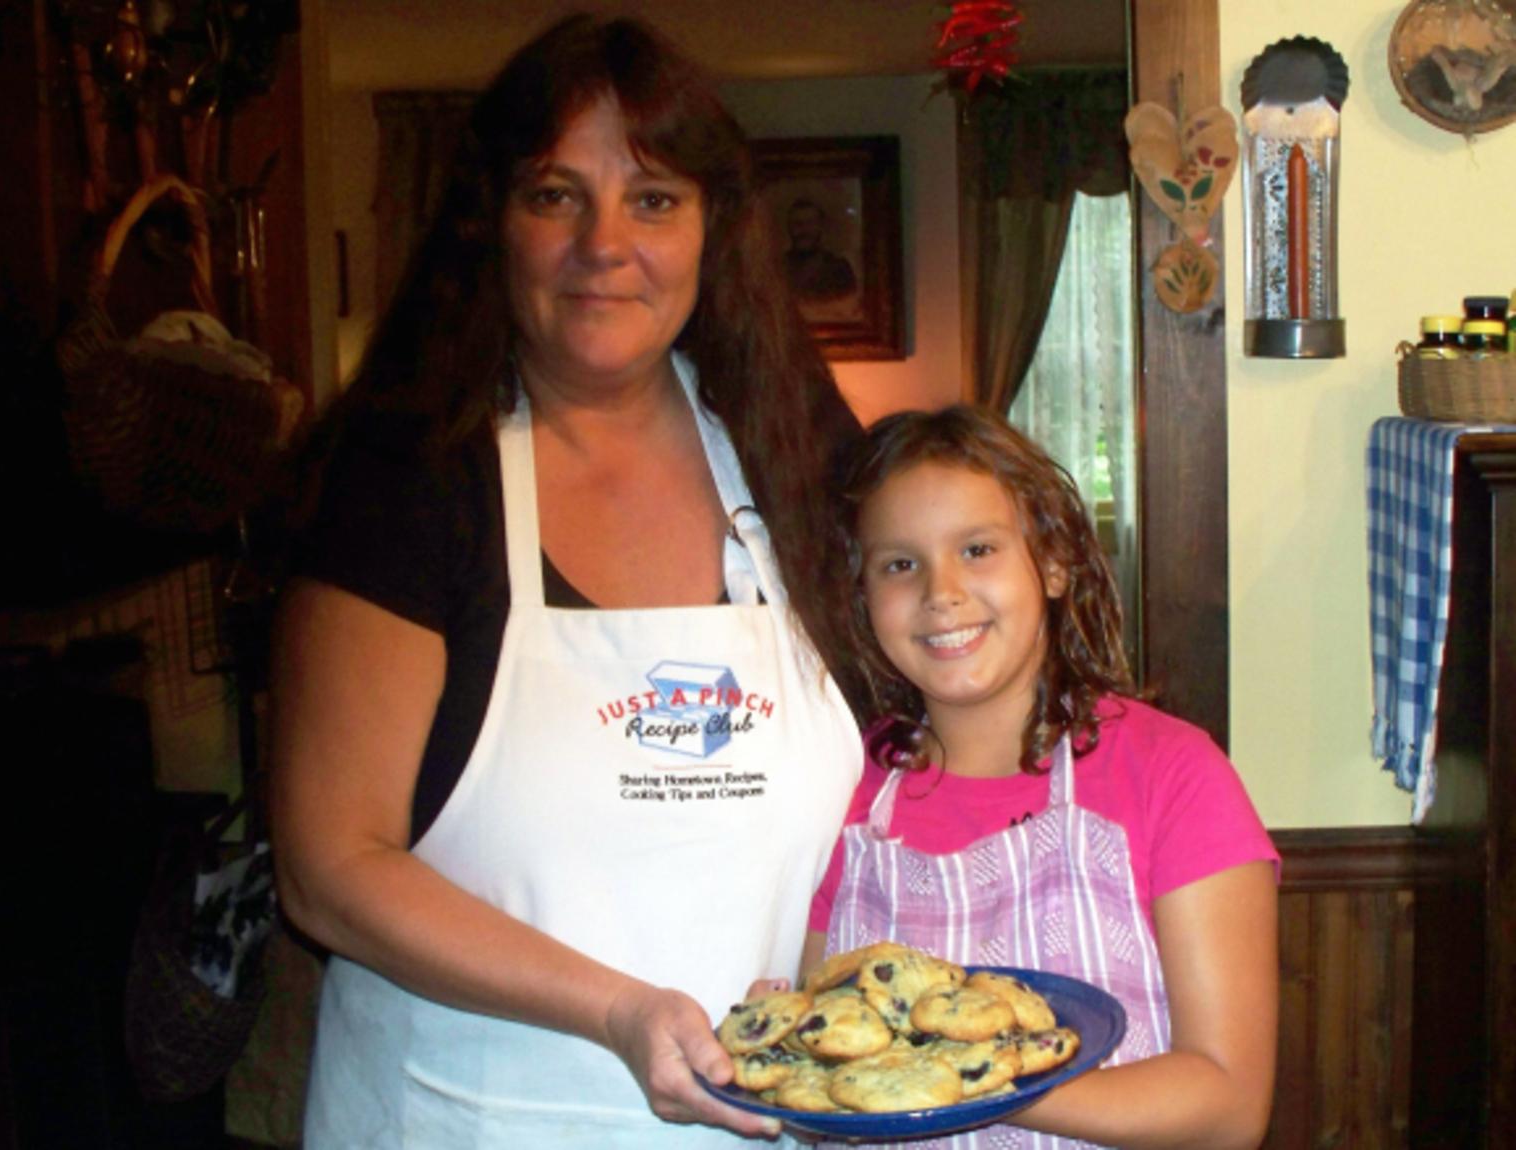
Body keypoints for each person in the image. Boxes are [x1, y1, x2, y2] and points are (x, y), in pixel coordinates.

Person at [268, 14, 867, 1147]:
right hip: (463, 1118)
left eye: (653, 199)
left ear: (710, 231)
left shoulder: (791, 454)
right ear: (490, 223)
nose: (605, 243)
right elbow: (329, 868)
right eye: (555, 195)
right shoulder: (405, 479)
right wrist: (615, 1009)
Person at [802, 406, 1279, 1149]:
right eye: (900, 564)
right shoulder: (836, 788)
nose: (941, 591)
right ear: (863, 598)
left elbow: (1227, 1105)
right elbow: (824, 1051)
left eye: (979, 549)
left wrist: (966, 1080)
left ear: (1053, 564)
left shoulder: (1173, 774)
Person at [783, 197, 859, 303]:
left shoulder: (839, 269)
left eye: (810, 223)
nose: (804, 230)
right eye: (797, 224)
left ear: (820, 227)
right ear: (789, 228)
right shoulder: (777, 269)